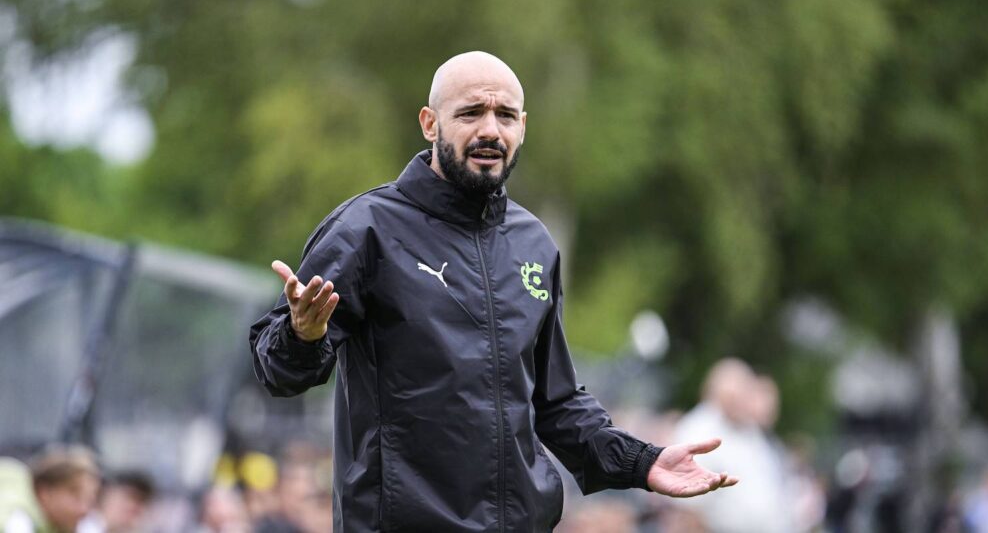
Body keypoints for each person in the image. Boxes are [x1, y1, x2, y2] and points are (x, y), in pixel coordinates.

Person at [249, 51, 737, 532]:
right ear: (429, 123)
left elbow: (557, 403)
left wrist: (642, 462)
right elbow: (278, 371)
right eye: (470, 113)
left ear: (522, 126)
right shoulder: (366, 228)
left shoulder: (535, 244)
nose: (490, 130)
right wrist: (301, 335)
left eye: (505, 115)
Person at [668, 359, 792, 533]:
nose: (740, 400)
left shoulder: (750, 431)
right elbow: (689, 510)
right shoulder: (697, 431)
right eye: (734, 393)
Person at [0, 446, 100, 533]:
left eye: (89, 500)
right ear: (45, 493)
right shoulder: (16, 522)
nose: (84, 510)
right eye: (76, 497)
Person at [77, 470, 156, 533]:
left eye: (142, 502)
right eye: (130, 496)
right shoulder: (78, 525)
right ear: (106, 493)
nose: (134, 507)